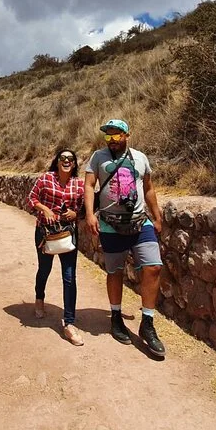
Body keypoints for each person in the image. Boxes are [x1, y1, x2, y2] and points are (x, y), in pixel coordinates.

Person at [84, 119, 165, 357]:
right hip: (110, 225)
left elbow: (148, 188)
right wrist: (89, 214)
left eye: (116, 134)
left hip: (140, 221)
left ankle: (147, 323)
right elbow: (89, 185)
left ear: (127, 135)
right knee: (115, 272)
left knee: (153, 267)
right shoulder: (98, 157)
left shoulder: (140, 157)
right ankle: (116, 317)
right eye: (108, 135)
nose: (112, 139)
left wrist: (157, 216)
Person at [27, 149, 85, 346]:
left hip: (67, 234)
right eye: (63, 158)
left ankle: (69, 323)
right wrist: (45, 209)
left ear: (74, 164)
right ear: (57, 161)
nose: (66, 161)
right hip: (45, 233)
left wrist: (75, 214)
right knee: (44, 269)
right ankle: (39, 298)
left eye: (70, 159)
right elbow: (31, 198)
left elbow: (85, 208)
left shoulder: (79, 184)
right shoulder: (46, 179)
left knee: (69, 276)